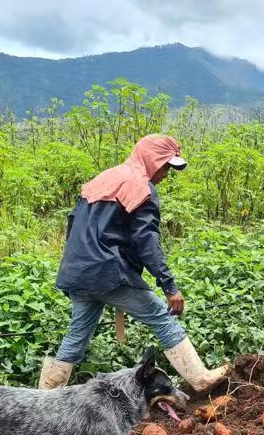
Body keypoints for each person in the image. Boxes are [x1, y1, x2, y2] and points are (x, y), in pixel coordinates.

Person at [37, 134, 229, 392]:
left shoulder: (101, 179)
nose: (166, 173)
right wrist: (170, 286)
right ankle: (200, 378)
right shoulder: (140, 188)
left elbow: (73, 226)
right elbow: (146, 241)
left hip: (77, 272)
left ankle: (44, 397)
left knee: (76, 335)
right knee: (161, 317)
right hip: (107, 273)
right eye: (165, 165)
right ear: (151, 159)